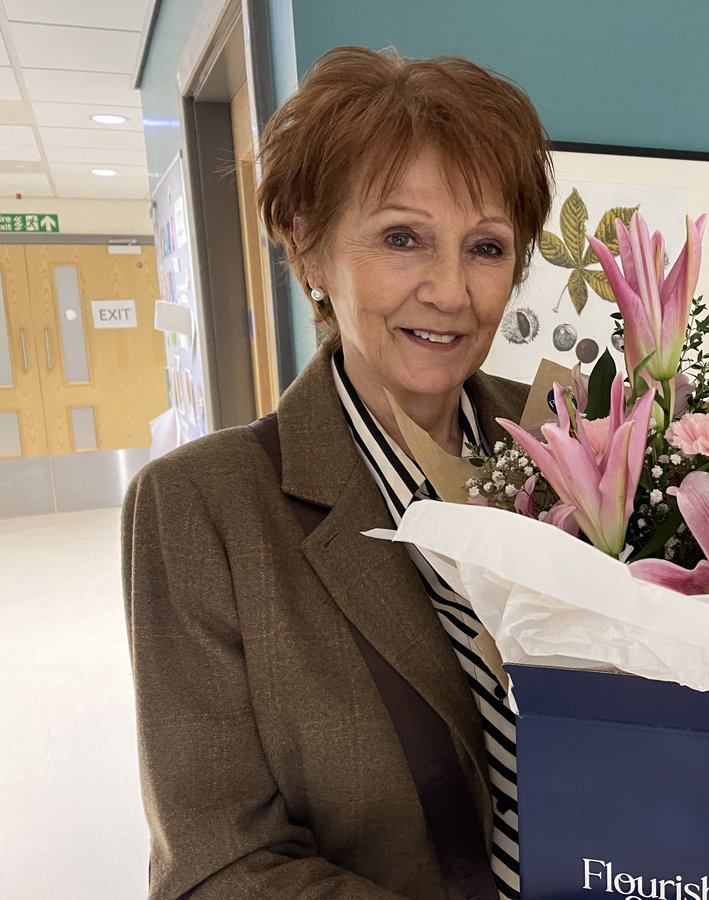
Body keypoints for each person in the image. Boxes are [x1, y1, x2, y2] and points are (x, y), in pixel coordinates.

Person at [122, 46, 552, 899]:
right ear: (310, 250)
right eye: (403, 238)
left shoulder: (573, 442)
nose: (450, 291)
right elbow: (218, 868)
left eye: (487, 248)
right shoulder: (202, 509)